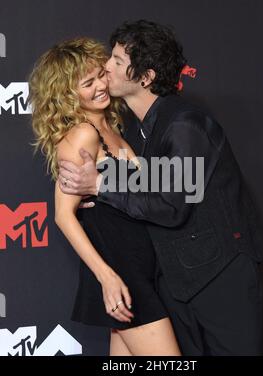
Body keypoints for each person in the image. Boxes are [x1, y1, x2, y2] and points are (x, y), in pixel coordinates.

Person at [58, 21, 263, 356]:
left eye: (116, 62)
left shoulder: (184, 123)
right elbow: (157, 184)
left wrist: (100, 184)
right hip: (178, 280)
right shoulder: (148, 130)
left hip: (220, 278)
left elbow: (171, 202)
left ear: (145, 77)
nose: (105, 68)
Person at [29, 37, 181, 356]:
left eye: (100, 74)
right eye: (88, 82)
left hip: (143, 267)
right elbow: (63, 215)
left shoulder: (113, 127)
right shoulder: (82, 134)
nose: (101, 85)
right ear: (67, 94)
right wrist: (107, 278)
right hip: (121, 270)